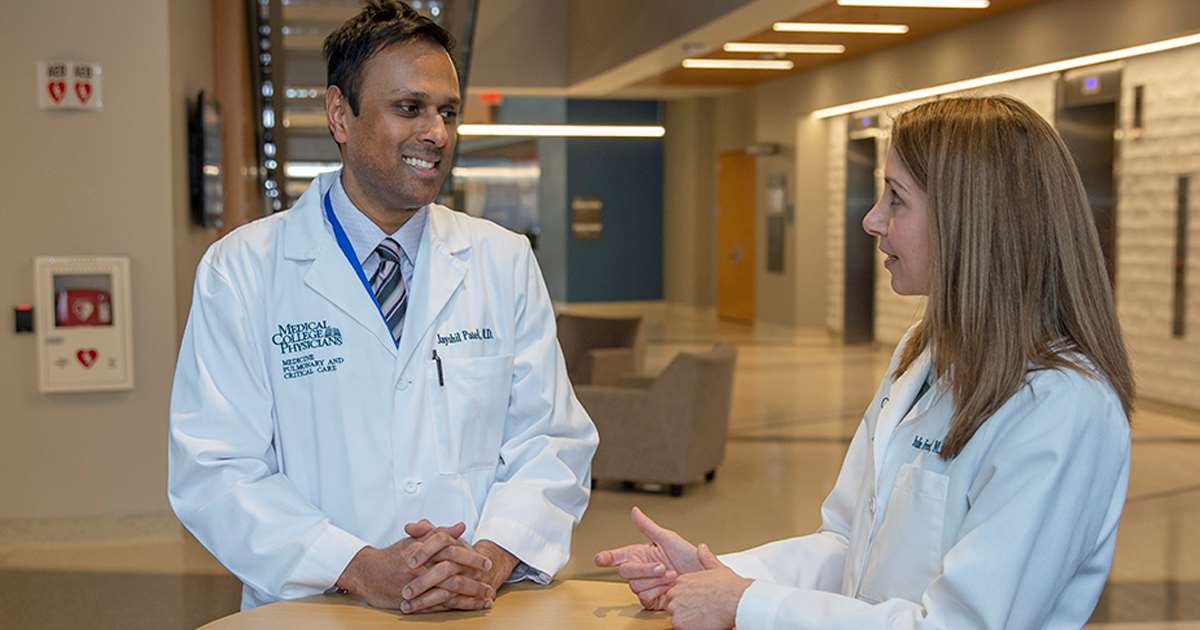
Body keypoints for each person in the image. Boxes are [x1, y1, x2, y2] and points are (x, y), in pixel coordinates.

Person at [595, 95, 1135, 629]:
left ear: (970, 220)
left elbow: (961, 625)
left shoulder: (1063, 408)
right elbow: (848, 543)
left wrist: (746, 605)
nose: (873, 220)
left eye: (896, 198)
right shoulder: (922, 355)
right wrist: (718, 576)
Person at [168, 0, 597, 614]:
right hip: (316, 606)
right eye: (409, 108)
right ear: (339, 114)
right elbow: (215, 468)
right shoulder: (242, 269)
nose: (437, 133)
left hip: (476, 604)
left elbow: (552, 440)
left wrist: (489, 559)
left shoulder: (501, 260)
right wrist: (359, 567)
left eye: (448, 111)